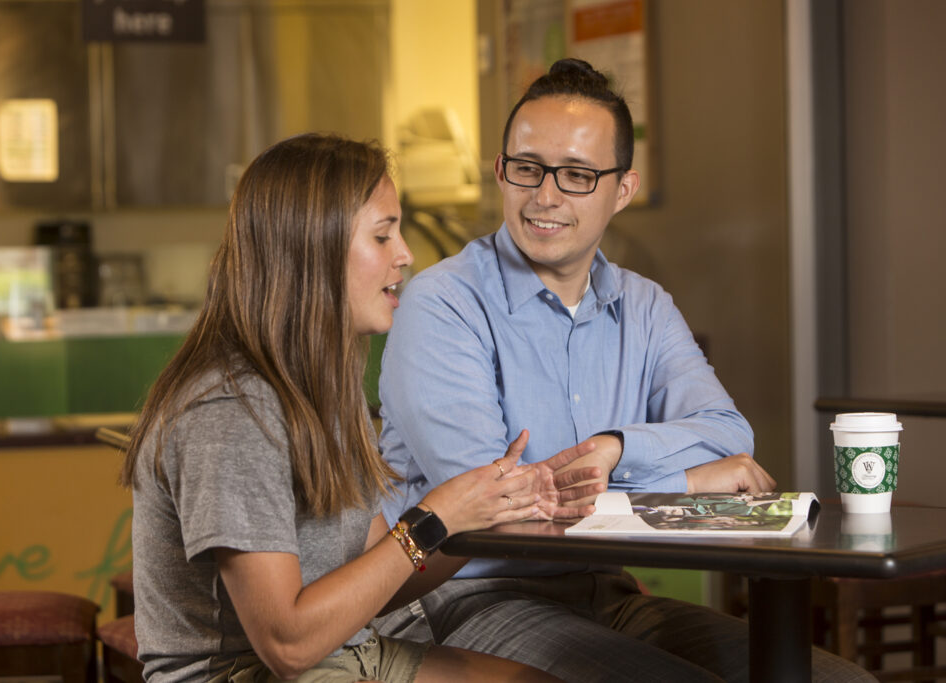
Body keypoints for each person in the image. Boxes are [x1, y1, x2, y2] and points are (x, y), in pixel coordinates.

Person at [375, 59, 874, 681]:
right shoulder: (442, 303)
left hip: (603, 593)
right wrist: (688, 481)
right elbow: (499, 505)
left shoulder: (644, 306)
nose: (546, 196)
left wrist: (616, 448)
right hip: (470, 600)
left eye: (578, 175)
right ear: (501, 173)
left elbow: (729, 434)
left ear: (624, 189)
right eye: (527, 169)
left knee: (844, 682)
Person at [120, 133, 597, 682]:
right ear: (311, 250)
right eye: (382, 235)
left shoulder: (321, 386)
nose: (405, 254)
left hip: (345, 655)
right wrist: (431, 518)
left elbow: (375, 573)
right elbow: (287, 644)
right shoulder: (231, 410)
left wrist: (487, 513)